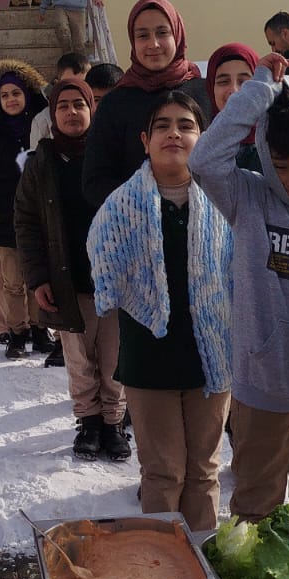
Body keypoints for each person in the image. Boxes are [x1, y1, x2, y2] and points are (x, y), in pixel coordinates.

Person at [194, 54, 289, 522]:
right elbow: (203, 157)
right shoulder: (249, 196)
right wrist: (262, 88)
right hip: (261, 390)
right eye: (281, 165)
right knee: (255, 508)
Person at [88, 94, 233, 531]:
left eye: (187, 125)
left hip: (212, 358)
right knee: (162, 473)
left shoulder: (227, 202)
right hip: (148, 359)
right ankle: (163, 572)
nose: (175, 133)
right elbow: (106, 270)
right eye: (164, 125)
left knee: (204, 471)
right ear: (145, 140)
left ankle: (204, 568)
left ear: (202, 138)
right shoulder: (118, 209)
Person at [16, 77, 131, 462]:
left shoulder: (110, 156)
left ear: (91, 109)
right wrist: (38, 279)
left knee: (114, 357)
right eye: (62, 105)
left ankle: (114, 422)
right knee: (80, 359)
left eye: (78, 104)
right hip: (68, 280)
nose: (71, 112)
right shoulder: (41, 162)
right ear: (52, 114)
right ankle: (89, 422)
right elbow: (27, 222)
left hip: (113, 279)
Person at [83, 0, 211, 209]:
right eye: (143, 35)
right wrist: (144, 207)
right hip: (134, 228)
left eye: (162, 33)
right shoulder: (114, 103)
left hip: (206, 226)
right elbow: (95, 180)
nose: (153, 44)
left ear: (177, 35)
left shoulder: (205, 93)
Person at [0, 60, 48, 361]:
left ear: (27, 93)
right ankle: (17, 333)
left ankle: (41, 330)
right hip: (6, 219)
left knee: (38, 278)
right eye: (4, 95)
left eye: (16, 93)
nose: (11, 100)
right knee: (13, 282)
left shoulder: (41, 126)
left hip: (39, 217)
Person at [205, 42, 261, 172]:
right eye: (223, 82)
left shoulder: (275, 147)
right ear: (211, 89)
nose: (234, 91)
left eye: (244, 82)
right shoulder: (201, 149)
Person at [29, 52, 88, 149]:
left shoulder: (99, 112)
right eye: (68, 83)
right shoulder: (43, 120)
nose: (76, 89)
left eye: (83, 84)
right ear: (57, 83)